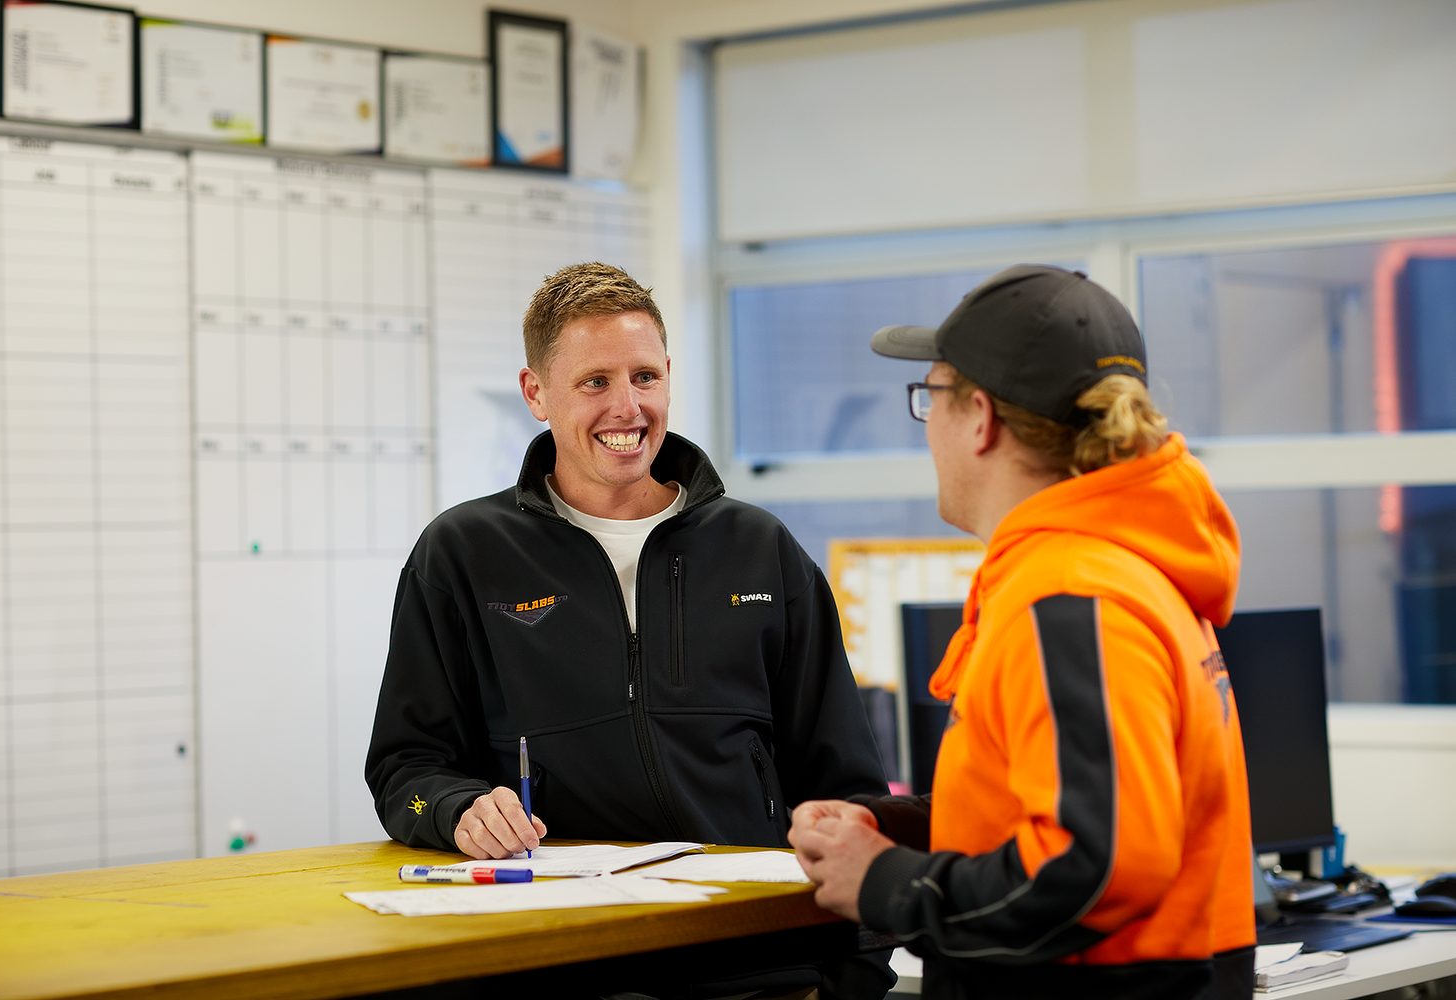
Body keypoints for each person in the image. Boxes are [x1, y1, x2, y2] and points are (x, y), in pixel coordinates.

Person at [365, 262, 891, 996]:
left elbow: (847, 789)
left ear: (670, 377)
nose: (627, 408)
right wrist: (457, 811)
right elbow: (403, 770)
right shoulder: (463, 555)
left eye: (645, 377)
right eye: (594, 382)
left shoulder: (761, 548)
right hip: (563, 964)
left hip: (760, 963)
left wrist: (854, 973)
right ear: (536, 394)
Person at [788, 265, 1256, 1000]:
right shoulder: (1120, 570)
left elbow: (1096, 866)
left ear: (980, 417)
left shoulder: (1070, 597)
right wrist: (893, 831)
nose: (928, 427)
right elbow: (1071, 802)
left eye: (930, 397)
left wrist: (885, 881)